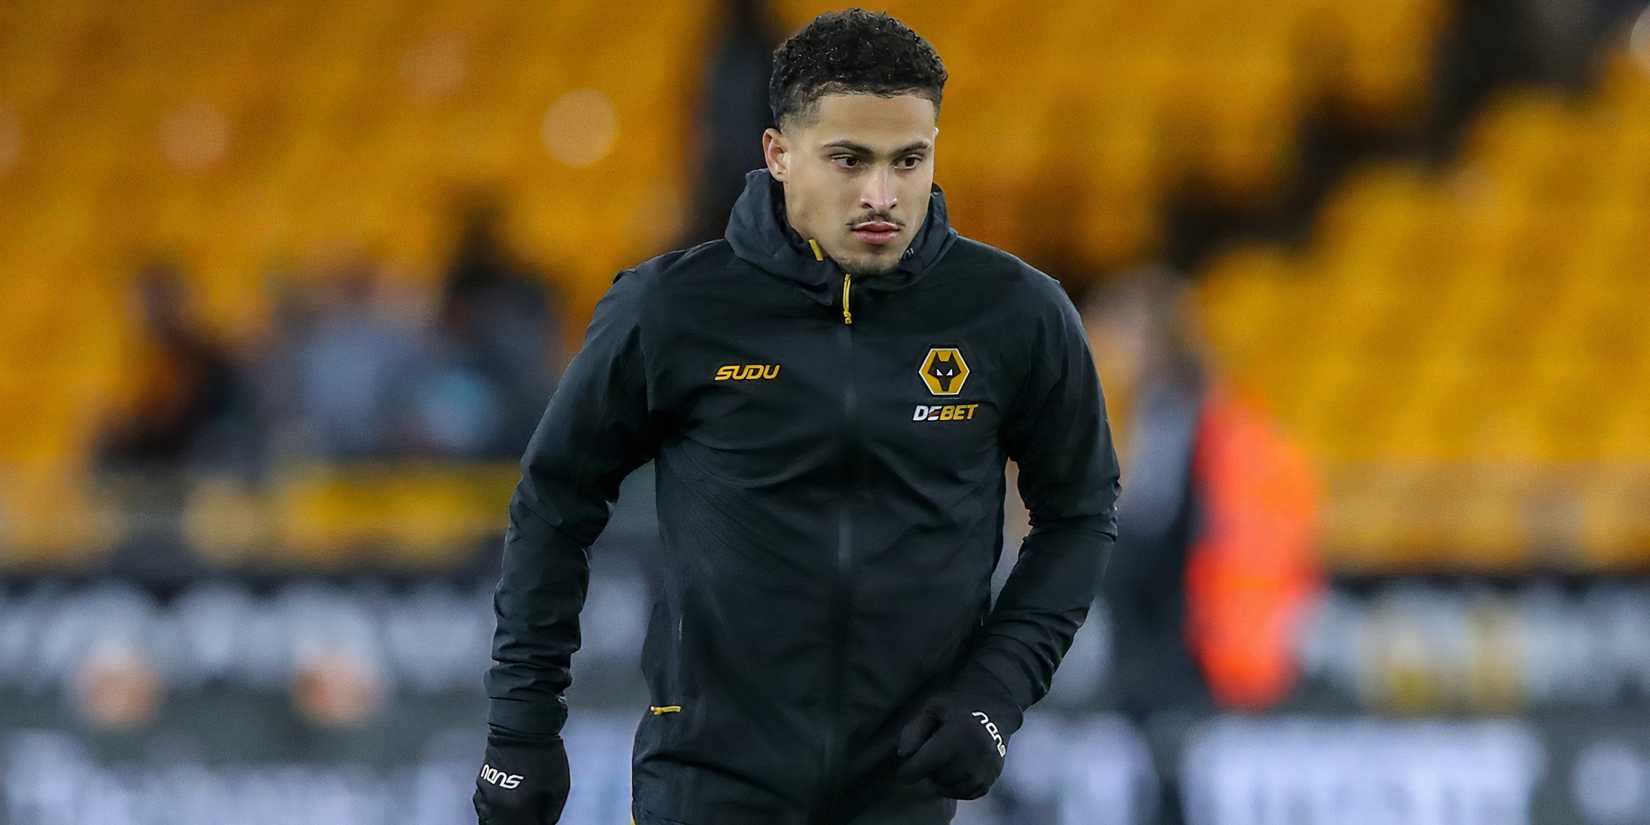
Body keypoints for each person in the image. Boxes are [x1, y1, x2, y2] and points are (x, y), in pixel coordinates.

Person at [474, 10, 1120, 825]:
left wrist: (995, 692)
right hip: (707, 781)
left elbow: (1082, 511)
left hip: (903, 787)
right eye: (849, 160)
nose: (882, 194)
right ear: (778, 153)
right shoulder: (673, 308)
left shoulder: (1015, 313)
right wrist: (521, 731)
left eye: (909, 160)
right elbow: (553, 501)